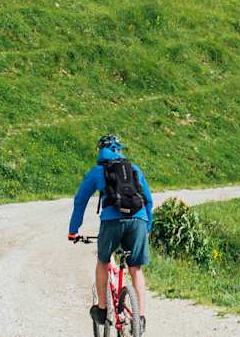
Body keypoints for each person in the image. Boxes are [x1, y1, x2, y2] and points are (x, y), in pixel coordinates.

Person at [69, 134, 153, 332]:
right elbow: (148, 200)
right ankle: (139, 318)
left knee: (103, 261)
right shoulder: (134, 169)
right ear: (120, 150)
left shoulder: (98, 171)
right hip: (138, 220)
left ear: (100, 150)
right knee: (136, 269)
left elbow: (80, 200)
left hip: (112, 222)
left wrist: (73, 231)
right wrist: (147, 227)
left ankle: (102, 309)